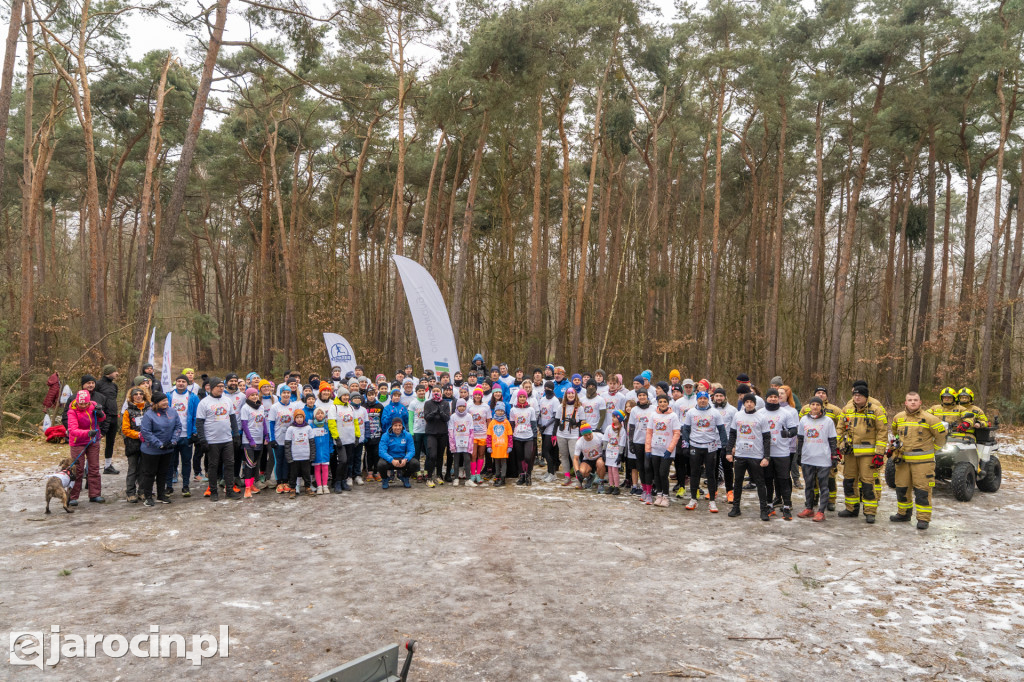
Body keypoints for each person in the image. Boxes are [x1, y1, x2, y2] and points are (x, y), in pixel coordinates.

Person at [889, 391, 946, 530]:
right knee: (901, 489)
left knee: (922, 491)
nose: (913, 402)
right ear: (905, 403)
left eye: (915, 400)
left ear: (920, 402)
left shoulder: (930, 419)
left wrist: (933, 450)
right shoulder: (898, 418)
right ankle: (903, 514)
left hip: (923, 463)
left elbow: (942, 437)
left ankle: (923, 519)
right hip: (903, 462)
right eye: (910, 400)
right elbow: (895, 433)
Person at [836, 383, 888, 523]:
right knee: (849, 480)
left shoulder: (876, 410)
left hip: (868, 454)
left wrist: (879, 453)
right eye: (855, 395)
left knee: (867, 482)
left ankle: (870, 512)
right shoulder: (847, 409)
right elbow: (840, 429)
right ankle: (851, 508)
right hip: (850, 453)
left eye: (860, 395)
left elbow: (882, 433)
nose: (857, 397)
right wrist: (836, 447)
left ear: (866, 397)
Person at [727, 393, 772, 520]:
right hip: (741, 454)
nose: (749, 404)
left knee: (760, 482)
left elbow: (767, 438)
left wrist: (766, 457)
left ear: (755, 403)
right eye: (747, 402)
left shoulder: (761, 417)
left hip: (756, 455)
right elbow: (732, 434)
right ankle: (736, 507)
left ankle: (763, 510)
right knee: (738, 481)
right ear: (744, 403)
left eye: (751, 402)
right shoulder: (737, 415)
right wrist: (729, 451)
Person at [681, 391, 728, 513]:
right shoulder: (691, 412)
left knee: (711, 474)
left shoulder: (715, 413)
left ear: (708, 399)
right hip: (695, 445)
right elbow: (686, 429)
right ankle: (693, 499)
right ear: (697, 400)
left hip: (710, 446)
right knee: (694, 473)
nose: (702, 400)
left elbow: (722, 430)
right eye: (700, 398)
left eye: (705, 398)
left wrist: (724, 445)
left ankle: (712, 501)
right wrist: (685, 444)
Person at [798, 387, 842, 510]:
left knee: (827, 481)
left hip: (824, 455)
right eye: (813, 404)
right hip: (809, 456)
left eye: (823, 393)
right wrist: (799, 454)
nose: (815, 407)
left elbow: (839, 428)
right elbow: (801, 436)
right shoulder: (804, 417)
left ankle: (829, 503)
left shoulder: (832, 413)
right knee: (810, 483)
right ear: (809, 405)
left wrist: (834, 453)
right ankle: (811, 503)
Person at [195, 377, 239, 500]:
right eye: (218, 386)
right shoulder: (204, 402)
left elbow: (233, 419)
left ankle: (229, 490)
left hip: (227, 439)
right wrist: (202, 439)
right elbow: (199, 423)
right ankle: (213, 491)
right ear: (212, 387)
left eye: (222, 386)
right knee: (213, 466)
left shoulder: (227, 400)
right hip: (212, 440)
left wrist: (235, 435)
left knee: (230, 464)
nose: (221, 389)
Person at [762, 388, 799, 520]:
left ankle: (787, 506)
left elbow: (794, 429)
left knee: (783, 479)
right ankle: (769, 504)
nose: (773, 399)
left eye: (775, 397)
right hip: (766, 453)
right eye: (770, 397)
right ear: (766, 398)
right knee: (768, 480)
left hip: (782, 452)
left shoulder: (785, 413)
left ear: (778, 398)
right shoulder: (760, 413)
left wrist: (788, 433)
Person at [139, 391, 181, 506]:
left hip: (168, 448)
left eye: (166, 400)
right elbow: (146, 432)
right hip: (151, 450)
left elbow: (178, 426)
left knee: (163, 472)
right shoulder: (149, 414)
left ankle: (161, 494)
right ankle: (148, 496)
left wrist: (173, 441)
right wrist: (159, 444)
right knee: (149, 473)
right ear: (156, 403)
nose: (166, 402)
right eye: (163, 401)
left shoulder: (172, 411)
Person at [67, 389, 106, 505]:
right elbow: (73, 430)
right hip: (78, 441)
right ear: (77, 402)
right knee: (78, 470)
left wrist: (100, 414)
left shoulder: (93, 406)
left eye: (85, 403)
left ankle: (95, 494)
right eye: (81, 403)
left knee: (94, 468)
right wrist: (88, 433)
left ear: (89, 402)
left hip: (93, 441)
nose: (83, 405)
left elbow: (102, 418)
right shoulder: (72, 411)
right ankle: (72, 496)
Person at [166, 374, 199, 498]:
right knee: (169, 462)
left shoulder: (193, 397)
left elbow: (196, 415)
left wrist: (194, 432)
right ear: (175, 383)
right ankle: (168, 486)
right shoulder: (168, 396)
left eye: (183, 381)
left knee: (186, 462)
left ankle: (186, 486)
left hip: (186, 435)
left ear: (187, 383)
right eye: (178, 381)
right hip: (171, 435)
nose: (181, 383)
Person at [644, 395, 680, 507]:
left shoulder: (673, 416)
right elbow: (649, 433)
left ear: (668, 403)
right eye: (660, 402)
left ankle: (666, 496)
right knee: (656, 474)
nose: (663, 404)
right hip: (655, 449)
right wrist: (648, 449)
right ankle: (659, 494)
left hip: (666, 451)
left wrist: (670, 449)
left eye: (665, 401)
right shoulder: (653, 415)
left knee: (663, 473)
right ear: (658, 403)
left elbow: (676, 434)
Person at [239, 387, 268, 498]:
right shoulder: (245, 408)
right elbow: (245, 425)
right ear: (247, 396)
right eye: (252, 395)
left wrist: (266, 435)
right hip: (249, 441)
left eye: (256, 394)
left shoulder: (261, 407)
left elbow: (263, 422)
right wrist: (250, 439)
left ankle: (251, 485)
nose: (255, 397)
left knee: (255, 463)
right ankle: (247, 488)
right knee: (249, 464)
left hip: (259, 439)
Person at [711, 388, 738, 503]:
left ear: (725, 397)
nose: (718, 398)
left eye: (721, 396)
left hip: (726, 443)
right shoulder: (710, 409)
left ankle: (729, 491)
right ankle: (713, 490)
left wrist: (733, 445)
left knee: (727, 469)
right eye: (716, 396)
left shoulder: (732, 410)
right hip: (712, 443)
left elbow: (735, 428)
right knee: (713, 468)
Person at [377, 417, 419, 488]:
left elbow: (412, 450)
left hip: (402, 459)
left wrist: (406, 459)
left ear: (402, 426)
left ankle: (405, 477)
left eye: (399, 425)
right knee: (381, 464)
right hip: (390, 459)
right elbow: (381, 451)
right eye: (395, 425)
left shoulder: (407, 435)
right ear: (392, 426)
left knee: (415, 463)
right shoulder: (385, 436)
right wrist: (391, 460)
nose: (398, 428)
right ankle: (385, 479)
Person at [268, 386, 296, 492]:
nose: (286, 395)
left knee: (286, 461)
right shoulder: (275, 407)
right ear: (281, 394)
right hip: (278, 438)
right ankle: (279, 482)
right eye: (284, 393)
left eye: (288, 393)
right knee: (278, 461)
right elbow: (271, 423)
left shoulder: (293, 406)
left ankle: (285, 481)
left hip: (289, 439)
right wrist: (272, 439)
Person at [121, 387, 147, 503]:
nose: (138, 396)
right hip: (133, 444)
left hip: (147, 444)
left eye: (140, 394)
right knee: (133, 468)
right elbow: (125, 429)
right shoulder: (128, 411)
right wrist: (138, 434)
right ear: (132, 397)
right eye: (135, 394)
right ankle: (130, 492)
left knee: (144, 468)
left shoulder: (149, 409)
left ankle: (143, 491)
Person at [94, 365, 120, 475]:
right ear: (108, 373)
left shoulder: (114, 386)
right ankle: (90, 467)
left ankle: (108, 465)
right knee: (96, 442)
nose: (117, 373)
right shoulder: (98, 384)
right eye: (115, 371)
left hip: (114, 416)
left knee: (111, 441)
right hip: (103, 417)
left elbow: (113, 399)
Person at [627, 393, 654, 495]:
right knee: (641, 467)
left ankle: (651, 487)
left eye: (644, 395)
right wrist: (631, 442)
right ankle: (644, 488)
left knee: (649, 466)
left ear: (647, 396)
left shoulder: (653, 408)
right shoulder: (634, 410)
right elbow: (631, 426)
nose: (642, 397)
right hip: (638, 441)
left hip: (650, 442)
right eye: (640, 395)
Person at [423, 386, 451, 488]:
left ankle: (439, 475)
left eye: (438, 391)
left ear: (441, 392)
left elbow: (447, 418)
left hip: (442, 432)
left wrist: (441, 412)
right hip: (431, 433)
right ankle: (429, 477)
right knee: (432, 455)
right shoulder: (428, 403)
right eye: (434, 391)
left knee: (440, 456)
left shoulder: (445, 403)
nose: (436, 392)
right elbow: (427, 417)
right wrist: (434, 412)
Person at [555, 388, 583, 486]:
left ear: (575, 395)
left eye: (572, 394)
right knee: (564, 456)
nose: (570, 395)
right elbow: (557, 421)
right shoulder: (560, 407)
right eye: (569, 394)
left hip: (574, 435)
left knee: (574, 456)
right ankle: (567, 476)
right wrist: (554, 435)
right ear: (566, 395)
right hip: (561, 434)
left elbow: (582, 422)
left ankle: (578, 477)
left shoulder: (580, 407)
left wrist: (576, 424)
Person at [284, 409, 315, 497]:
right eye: (297, 417)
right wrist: (289, 457)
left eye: (301, 417)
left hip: (305, 456)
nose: (299, 419)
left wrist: (312, 455)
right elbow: (287, 444)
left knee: (306, 473)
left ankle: (307, 487)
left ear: (303, 418)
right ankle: (293, 488)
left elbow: (312, 442)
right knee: (293, 474)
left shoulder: (308, 428)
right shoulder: (290, 429)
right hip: (295, 456)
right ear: (294, 418)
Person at [509, 389, 537, 486]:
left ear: (526, 398)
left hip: (528, 436)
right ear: (517, 398)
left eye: (523, 397)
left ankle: (528, 474)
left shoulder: (531, 410)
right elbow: (511, 424)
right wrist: (511, 436)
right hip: (517, 436)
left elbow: (533, 424)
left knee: (527, 457)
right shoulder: (513, 410)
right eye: (520, 397)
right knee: (520, 457)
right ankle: (521, 475)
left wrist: (535, 437)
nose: (522, 398)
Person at [467, 387, 491, 485]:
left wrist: (489, 434)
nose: (477, 396)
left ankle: (478, 474)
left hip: (483, 434)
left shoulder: (486, 407)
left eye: (479, 395)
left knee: (481, 455)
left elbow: (489, 421)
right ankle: (472, 474)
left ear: (481, 396)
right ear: (473, 396)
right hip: (473, 435)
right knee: (473, 455)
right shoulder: (469, 406)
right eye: (475, 395)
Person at [538, 381, 561, 482]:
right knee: (545, 452)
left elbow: (555, 416)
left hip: (551, 430)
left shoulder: (555, 401)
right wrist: (539, 425)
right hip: (543, 429)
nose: (547, 390)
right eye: (546, 388)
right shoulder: (542, 399)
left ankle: (552, 473)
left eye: (549, 388)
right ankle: (549, 471)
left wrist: (546, 425)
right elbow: (540, 414)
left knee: (546, 451)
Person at [486, 404, 513, 486]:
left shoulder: (506, 422)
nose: (500, 412)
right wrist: (489, 446)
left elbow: (510, 435)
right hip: (495, 447)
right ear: (495, 411)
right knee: (496, 462)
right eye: (498, 410)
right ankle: (497, 476)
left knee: (503, 462)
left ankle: (503, 477)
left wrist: (510, 446)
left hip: (504, 447)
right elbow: (489, 435)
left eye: (502, 411)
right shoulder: (492, 422)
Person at [601, 410, 627, 494]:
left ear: (619, 419)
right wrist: (604, 451)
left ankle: (616, 486)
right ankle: (611, 485)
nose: (612, 418)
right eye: (612, 417)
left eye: (614, 417)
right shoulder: (609, 428)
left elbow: (622, 443)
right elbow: (605, 439)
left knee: (614, 470)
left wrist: (620, 454)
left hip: (616, 453)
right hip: (609, 451)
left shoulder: (622, 430)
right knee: (609, 469)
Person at [448, 399, 474, 485]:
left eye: (463, 406)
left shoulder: (469, 416)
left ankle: (468, 479)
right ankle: (456, 478)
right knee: (456, 460)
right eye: (460, 406)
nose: (462, 408)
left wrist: (470, 443)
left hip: (466, 442)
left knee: (467, 459)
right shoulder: (453, 416)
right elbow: (451, 430)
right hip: (456, 442)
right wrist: (452, 443)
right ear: (457, 407)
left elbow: (471, 430)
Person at [573, 423, 606, 489]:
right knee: (582, 471)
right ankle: (590, 477)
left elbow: (607, 444)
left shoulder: (599, 436)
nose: (588, 437)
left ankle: (601, 482)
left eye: (589, 434)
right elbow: (575, 459)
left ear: (591, 432)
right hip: (588, 460)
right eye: (586, 435)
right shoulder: (579, 442)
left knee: (600, 463)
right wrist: (577, 471)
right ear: (582, 435)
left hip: (599, 457)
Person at [362, 386, 384, 482]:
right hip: (367, 435)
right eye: (369, 395)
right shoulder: (364, 407)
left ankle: (377, 471)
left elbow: (383, 420)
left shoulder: (380, 406)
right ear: (366, 396)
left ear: (375, 395)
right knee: (368, 454)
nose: (371, 397)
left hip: (378, 434)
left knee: (377, 454)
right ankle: (369, 471)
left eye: (372, 395)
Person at [310, 408, 333, 494]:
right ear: (315, 415)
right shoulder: (311, 426)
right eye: (318, 413)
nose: (320, 415)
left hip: (325, 451)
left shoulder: (326, 426)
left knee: (325, 468)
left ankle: (325, 485)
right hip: (316, 452)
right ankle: (319, 486)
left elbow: (330, 440)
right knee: (317, 468)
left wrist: (331, 450)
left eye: (321, 413)